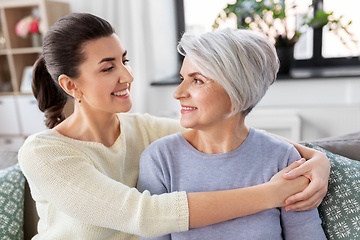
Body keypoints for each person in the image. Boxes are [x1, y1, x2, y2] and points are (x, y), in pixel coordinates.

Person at [18, 13, 328, 240]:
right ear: (71, 85)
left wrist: (316, 158)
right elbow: (144, 216)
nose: (127, 76)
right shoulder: (44, 153)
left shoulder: (144, 130)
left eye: (124, 61)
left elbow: (229, 129)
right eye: (108, 67)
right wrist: (273, 194)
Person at [137, 29, 327, 239]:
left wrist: (321, 157)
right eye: (182, 78)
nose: (178, 93)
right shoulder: (160, 160)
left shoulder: (283, 159)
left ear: (237, 90)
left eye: (197, 80)